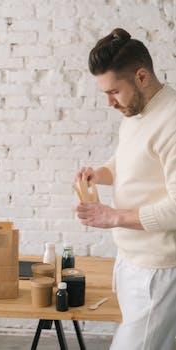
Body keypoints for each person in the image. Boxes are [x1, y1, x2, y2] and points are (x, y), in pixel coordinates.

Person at [74, 28, 176, 350]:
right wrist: (99, 173)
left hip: (158, 272)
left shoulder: (172, 121)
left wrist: (113, 216)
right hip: (130, 261)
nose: (109, 102)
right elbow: (127, 161)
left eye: (113, 92)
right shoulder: (134, 112)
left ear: (141, 76)